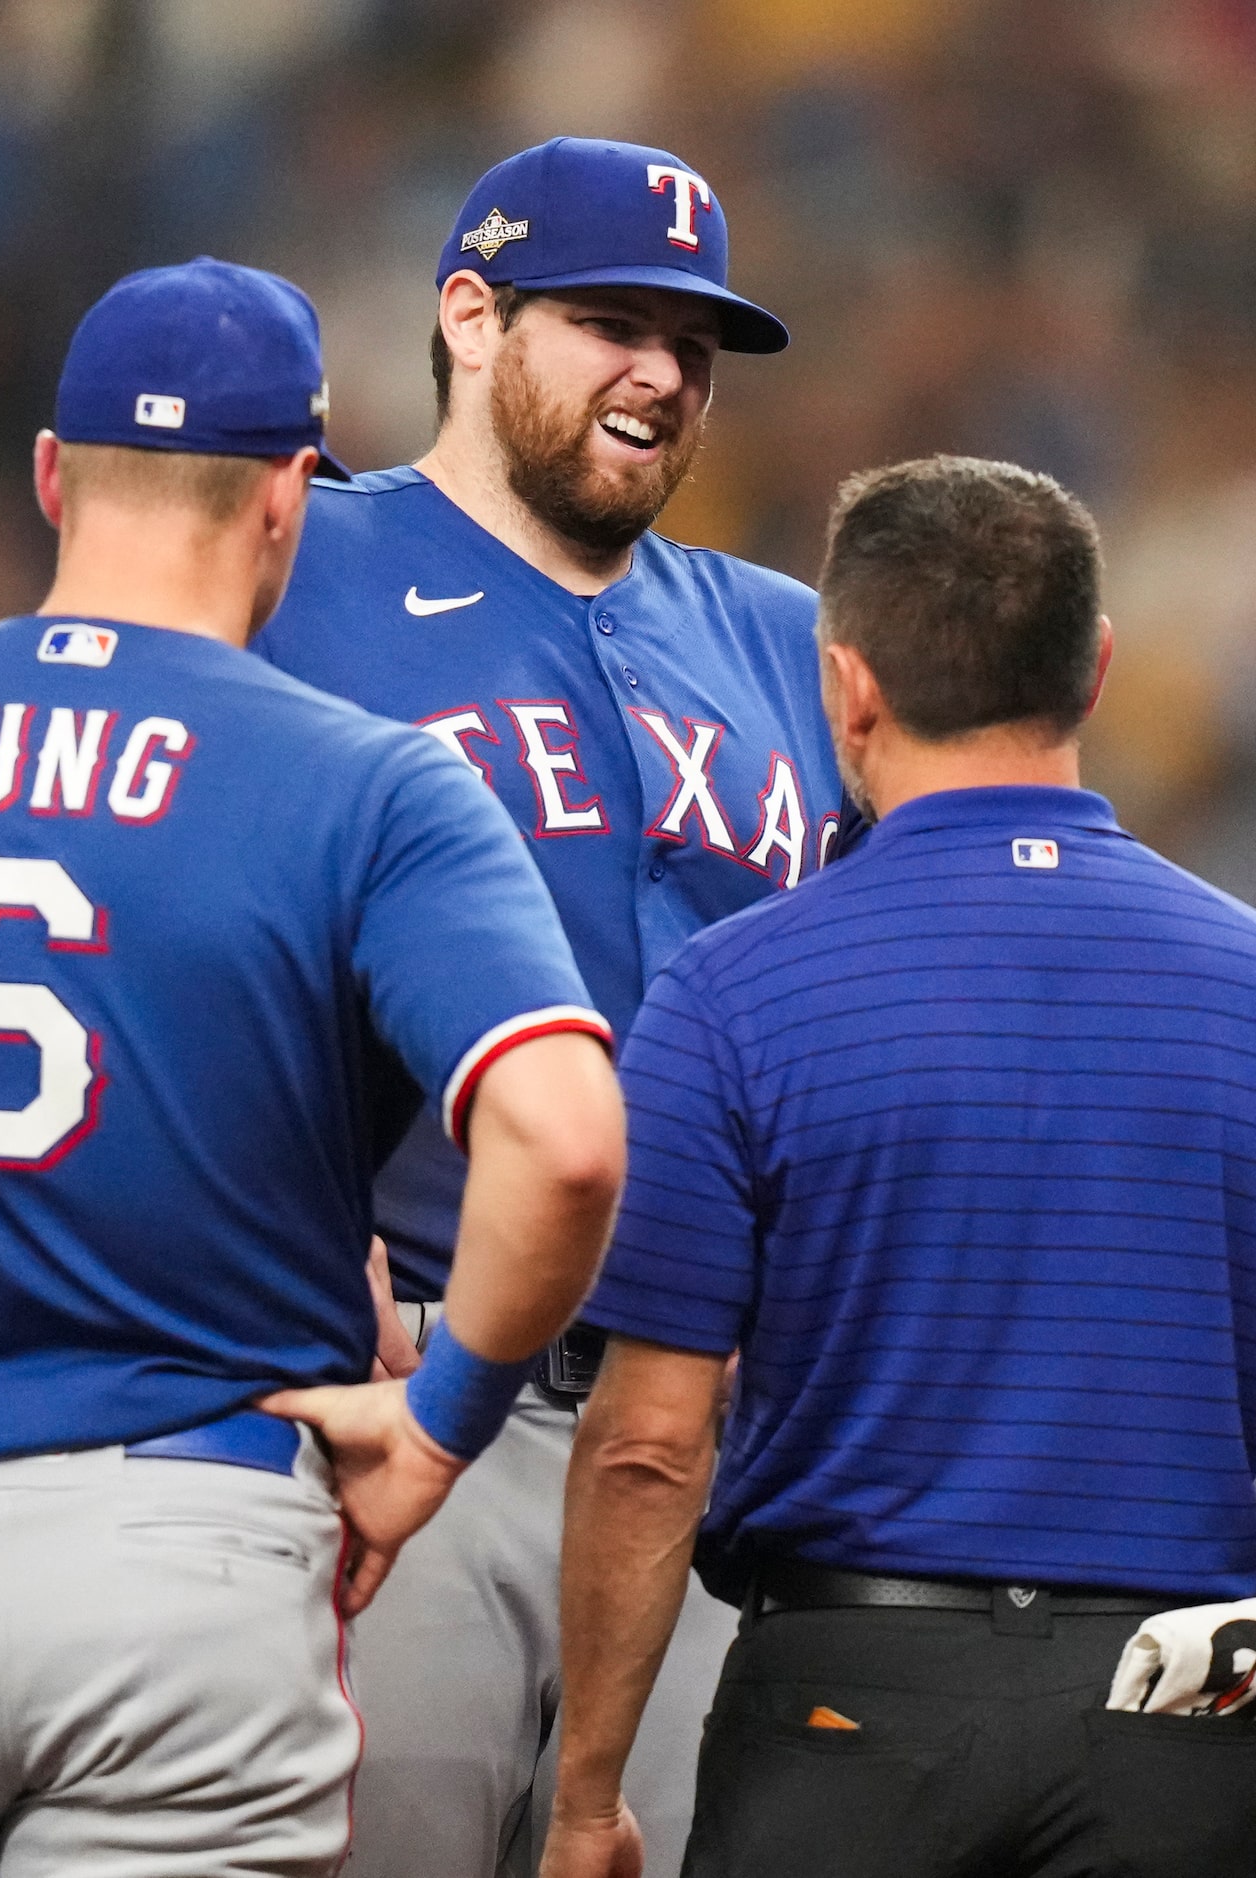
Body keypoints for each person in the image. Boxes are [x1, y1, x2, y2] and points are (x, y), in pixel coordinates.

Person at [0, 258, 627, 1878]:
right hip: (189, 1554)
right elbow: (564, 1143)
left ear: (50, 472)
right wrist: (437, 1426)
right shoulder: (371, 789)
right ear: (290, 495)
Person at [541, 455, 1256, 1878]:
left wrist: (587, 1790)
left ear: (844, 684)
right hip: (1167, 1725)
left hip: (843, 1711)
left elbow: (651, 1443)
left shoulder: (731, 992)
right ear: (1092, 668)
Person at [250, 135, 843, 1878]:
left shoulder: (791, 640)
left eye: (695, 342)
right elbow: (150, 912)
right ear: (469, 319)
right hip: (404, 1393)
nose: (662, 371)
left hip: (713, 1438)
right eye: (607, 320)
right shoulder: (297, 570)